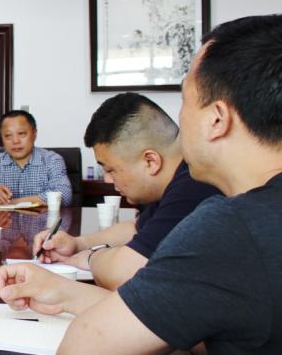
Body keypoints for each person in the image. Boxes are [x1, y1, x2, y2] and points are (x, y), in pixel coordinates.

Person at [0, 15, 282, 355]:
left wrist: (149, 336)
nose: (178, 122)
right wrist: (169, 341)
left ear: (216, 118)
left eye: (184, 100)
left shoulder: (234, 225)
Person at [33, 93, 220, 289]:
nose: (107, 179)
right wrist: (78, 244)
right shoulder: (178, 177)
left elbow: (122, 274)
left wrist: (91, 257)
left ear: (150, 161)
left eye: (110, 169)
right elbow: (136, 228)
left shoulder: (195, 185)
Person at [0, 110, 72, 207]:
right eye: (8, 135)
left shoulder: (52, 160)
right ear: (2, 138)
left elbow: (64, 195)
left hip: (43, 225)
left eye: (21, 134)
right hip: (5, 225)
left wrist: (13, 203)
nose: (15, 141)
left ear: (34, 134)